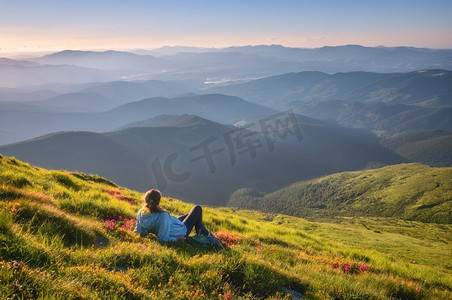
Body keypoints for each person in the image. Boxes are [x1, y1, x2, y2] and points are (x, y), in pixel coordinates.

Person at [134, 189, 211, 243]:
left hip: (172, 225)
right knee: (197, 209)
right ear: (158, 201)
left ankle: (205, 233)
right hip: (180, 231)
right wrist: (177, 239)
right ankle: (204, 236)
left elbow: (138, 232)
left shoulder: (141, 212)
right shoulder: (162, 215)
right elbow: (162, 239)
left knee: (190, 215)